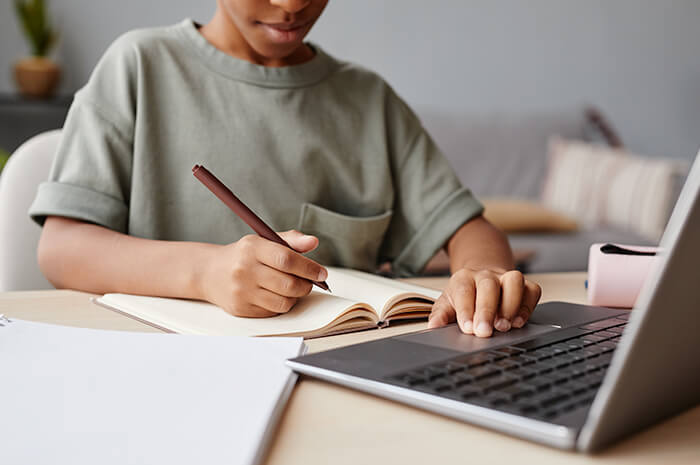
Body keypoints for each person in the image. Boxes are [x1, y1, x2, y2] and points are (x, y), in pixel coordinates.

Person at [30, 0, 541, 338]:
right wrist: (206, 274)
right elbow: (61, 249)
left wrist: (484, 275)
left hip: (341, 376)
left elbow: (468, 227)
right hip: (162, 368)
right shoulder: (138, 67)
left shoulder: (368, 101)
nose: (293, 3)